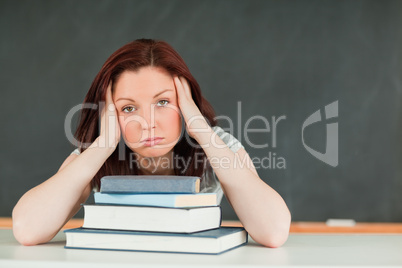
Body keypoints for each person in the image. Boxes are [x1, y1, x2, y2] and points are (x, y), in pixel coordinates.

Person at [12, 39, 291, 247]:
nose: (148, 123)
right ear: (110, 114)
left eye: (163, 102)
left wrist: (201, 129)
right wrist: (104, 144)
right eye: (129, 109)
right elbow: (27, 229)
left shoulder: (217, 146)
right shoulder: (96, 155)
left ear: (185, 102)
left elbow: (274, 231)